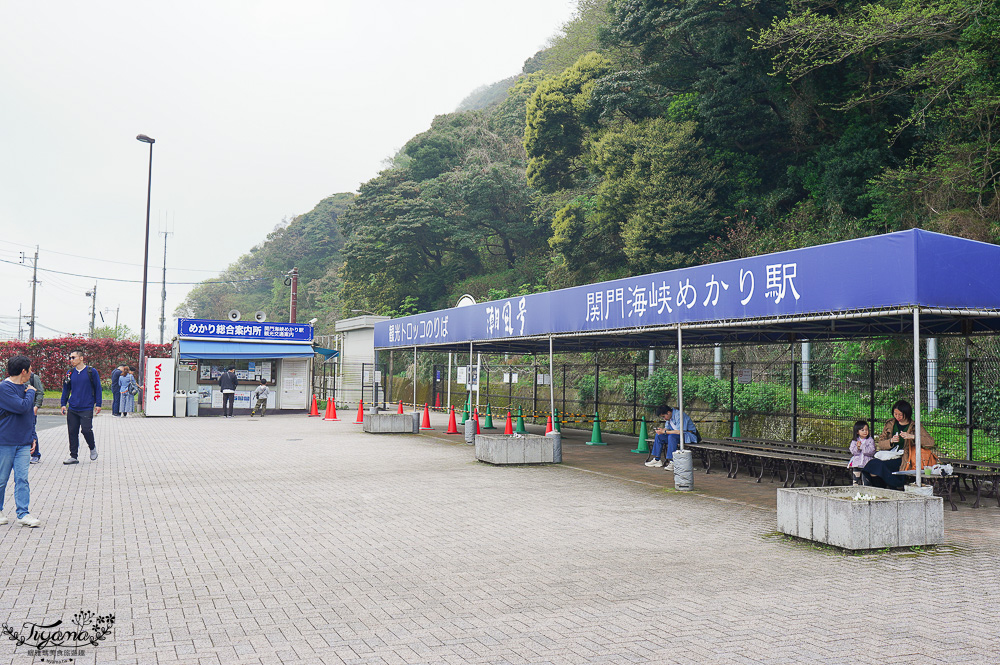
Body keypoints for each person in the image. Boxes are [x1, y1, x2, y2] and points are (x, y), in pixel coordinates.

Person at [0, 355, 41, 527]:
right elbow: (21, 407)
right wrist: (31, 392)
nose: (31, 372)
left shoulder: (25, 388)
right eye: (30, 369)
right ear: (23, 371)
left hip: (23, 441)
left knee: (22, 479)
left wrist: (32, 436)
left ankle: (23, 513)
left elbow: (29, 415)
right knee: (2, 479)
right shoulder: (4, 388)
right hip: (5, 441)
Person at [861, 399, 937, 489]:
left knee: (879, 466)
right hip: (889, 455)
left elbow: (930, 442)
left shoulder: (914, 426)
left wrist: (913, 437)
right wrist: (891, 441)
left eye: (900, 415)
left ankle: (891, 487)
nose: (897, 417)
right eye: (895, 414)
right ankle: (880, 488)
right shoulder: (890, 424)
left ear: (907, 414)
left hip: (905, 458)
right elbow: (880, 443)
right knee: (873, 464)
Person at [60, 348, 101, 464]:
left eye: (73, 357)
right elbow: (66, 389)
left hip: (86, 406)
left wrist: (98, 404)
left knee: (86, 430)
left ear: (81, 358)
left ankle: (92, 447)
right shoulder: (70, 373)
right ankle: (73, 456)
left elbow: (98, 388)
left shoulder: (91, 371)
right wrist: (63, 404)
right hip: (73, 407)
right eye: (70, 358)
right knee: (72, 432)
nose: (71, 360)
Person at [645, 404, 698, 471]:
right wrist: (661, 430)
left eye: (664, 416)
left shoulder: (680, 415)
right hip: (676, 435)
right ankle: (657, 459)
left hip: (688, 435)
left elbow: (679, 431)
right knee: (659, 436)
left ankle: (672, 461)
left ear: (669, 412)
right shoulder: (669, 418)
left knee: (672, 437)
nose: (664, 419)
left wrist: (665, 432)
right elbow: (667, 429)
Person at [847, 420, 875, 485]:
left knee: (866, 482)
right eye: (862, 430)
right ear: (857, 432)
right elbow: (853, 451)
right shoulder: (855, 441)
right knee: (855, 481)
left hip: (867, 464)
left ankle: (866, 490)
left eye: (866, 430)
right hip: (857, 464)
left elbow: (871, 451)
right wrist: (857, 448)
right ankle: (855, 490)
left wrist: (862, 446)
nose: (865, 431)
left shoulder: (870, 440)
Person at [28, 368, 43, 464]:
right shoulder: (15, 378)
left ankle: (35, 454)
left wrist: (36, 406)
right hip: (20, 408)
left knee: (31, 431)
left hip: (31, 409)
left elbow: (40, 392)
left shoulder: (33, 377)